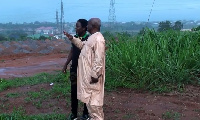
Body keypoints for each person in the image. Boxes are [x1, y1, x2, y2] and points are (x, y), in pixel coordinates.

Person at [64, 18, 105, 120]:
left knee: (94, 104)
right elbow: (83, 46)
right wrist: (72, 38)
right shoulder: (92, 38)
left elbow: (99, 59)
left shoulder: (98, 39)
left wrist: (95, 75)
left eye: (89, 25)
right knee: (91, 102)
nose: (87, 27)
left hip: (93, 78)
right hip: (88, 76)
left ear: (92, 26)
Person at [62, 19, 90, 120]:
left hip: (85, 69)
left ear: (84, 28)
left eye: (77, 26)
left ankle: (85, 114)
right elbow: (72, 51)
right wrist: (66, 64)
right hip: (74, 68)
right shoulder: (75, 38)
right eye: (75, 26)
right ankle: (74, 113)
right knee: (74, 91)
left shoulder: (89, 39)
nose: (76, 28)